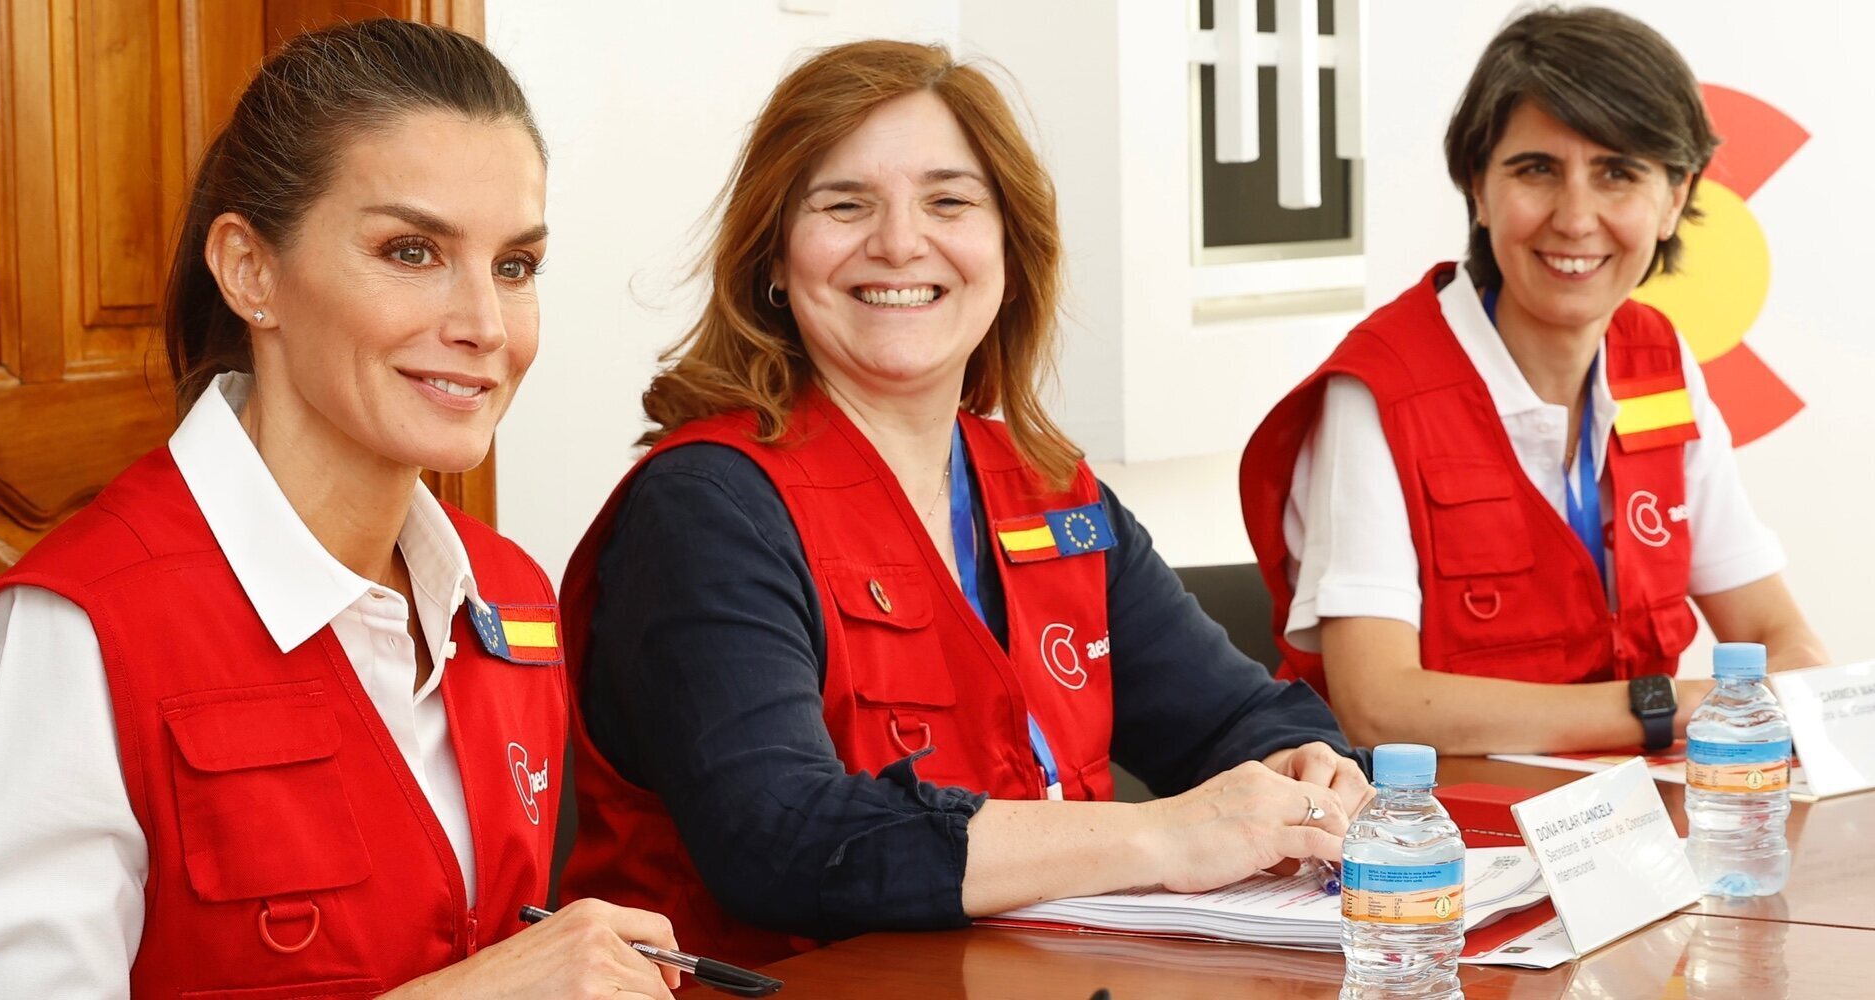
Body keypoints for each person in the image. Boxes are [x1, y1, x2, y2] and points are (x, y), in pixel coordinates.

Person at [0, 20, 680, 1000]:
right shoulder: (72, 637)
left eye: (514, 267)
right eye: (411, 251)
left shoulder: (511, 601)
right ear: (249, 271)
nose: (484, 325)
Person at [557, 39, 1371, 968]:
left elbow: (1239, 722)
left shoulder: (1051, 487)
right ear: (773, 259)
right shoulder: (706, 508)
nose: (900, 242)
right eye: (844, 204)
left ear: (1009, 254)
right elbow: (779, 838)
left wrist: (1308, 770)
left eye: (949, 201)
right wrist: (1164, 837)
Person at [1239, 6, 1827, 758]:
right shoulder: (1378, 390)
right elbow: (1381, 708)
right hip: (1437, 850)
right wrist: (1670, 708)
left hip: (1636, 835)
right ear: (1477, 190)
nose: (1576, 218)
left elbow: (1787, 644)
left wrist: (1766, 693)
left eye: (1618, 173)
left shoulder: (1658, 361)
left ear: (1675, 198)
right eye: (1537, 170)